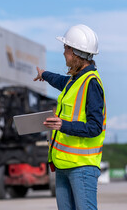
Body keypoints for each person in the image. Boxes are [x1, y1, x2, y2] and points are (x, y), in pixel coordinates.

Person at [34, 24, 106, 210]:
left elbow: (95, 127)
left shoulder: (91, 84)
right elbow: (60, 80)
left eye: (66, 48)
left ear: (75, 52)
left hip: (81, 166)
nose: (64, 53)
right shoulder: (74, 81)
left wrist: (63, 125)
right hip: (63, 164)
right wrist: (44, 74)